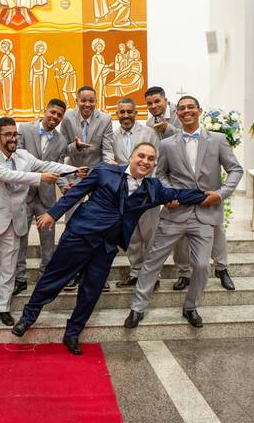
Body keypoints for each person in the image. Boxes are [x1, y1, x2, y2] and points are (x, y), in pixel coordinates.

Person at [12, 143, 206, 354]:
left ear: (154, 164)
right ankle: (27, 318)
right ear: (131, 157)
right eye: (141, 156)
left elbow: (179, 194)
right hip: (80, 236)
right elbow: (76, 192)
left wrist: (209, 195)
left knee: (91, 291)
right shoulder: (105, 171)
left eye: (151, 159)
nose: (145, 161)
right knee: (53, 279)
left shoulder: (153, 188)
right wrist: (53, 214)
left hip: (106, 247)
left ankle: (73, 333)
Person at [126, 95, 243, 330]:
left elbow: (235, 169)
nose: (186, 111)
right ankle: (138, 307)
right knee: (153, 261)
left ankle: (191, 306)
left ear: (199, 111)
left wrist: (221, 194)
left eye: (191, 107)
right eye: (182, 108)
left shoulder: (218, 140)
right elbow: (161, 174)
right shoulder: (168, 144)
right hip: (175, 213)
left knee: (201, 265)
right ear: (177, 113)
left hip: (205, 213)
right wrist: (168, 194)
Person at [0, 117, 84, 329]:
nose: (13, 139)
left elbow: (47, 164)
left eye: (15, 134)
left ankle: (3, 308)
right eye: (8, 135)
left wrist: (72, 170)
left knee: (8, 269)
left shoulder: (24, 156)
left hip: (15, 220)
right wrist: (39, 178)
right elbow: (8, 175)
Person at [59, 85, 114, 289]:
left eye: (91, 100)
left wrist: (109, 171)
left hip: (98, 177)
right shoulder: (67, 119)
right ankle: (72, 271)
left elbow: (107, 149)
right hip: (75, 175)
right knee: (72, 225)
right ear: (77, 101)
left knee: (99, 226)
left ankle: (96, 273)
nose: (87, 104)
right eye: (83, 100)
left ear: (96, 101)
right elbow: (62, 149)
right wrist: (75, 147)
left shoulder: (105, 119)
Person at [105, 98, 162, 288]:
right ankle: (136, 271)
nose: (126, 115)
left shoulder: (149, 132)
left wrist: (148, 187)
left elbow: (157, 162)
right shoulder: (112, 137)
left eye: (129, 111)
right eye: (122, 112)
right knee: (131, 236)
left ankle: (153, 275)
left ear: (136, 113)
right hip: (124, 195)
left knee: (150, 236)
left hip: (147, 193)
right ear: (117, 114)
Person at [15, 98, 70, 292]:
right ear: (44, 111)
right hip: (24, 193)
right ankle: (20, 278)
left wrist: (64, 185)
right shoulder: (24, 129)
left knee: (48, 241)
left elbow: (58, 168)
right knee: (20, 238)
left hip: (46, 197)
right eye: (52, 112)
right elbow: (17, 159)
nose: (55, 117)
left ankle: (45, 276)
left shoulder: (62, 141)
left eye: (59, 115)